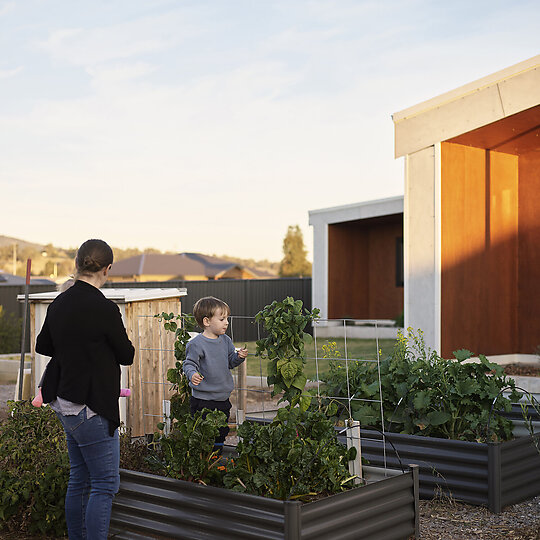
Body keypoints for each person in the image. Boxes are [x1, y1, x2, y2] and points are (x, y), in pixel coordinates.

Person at [35, 239, 135, 540]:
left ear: (76, 263)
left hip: (65, 401)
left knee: (79, 478)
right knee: (104, 484)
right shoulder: (104, 308)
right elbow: (126, 354)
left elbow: (44, 346)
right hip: (91, 406)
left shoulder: (60, 302)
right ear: (107, 269)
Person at [183, 296, 248, 450]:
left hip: (222, 398)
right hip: (203, 400)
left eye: (227, 318)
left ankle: (215, 461)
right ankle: (204, 461)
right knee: (203, 434)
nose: (226, 322)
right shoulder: (196, 344)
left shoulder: (226, 341)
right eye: (222, 319)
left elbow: (230, 362)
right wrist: (192, 374)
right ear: (207, 322)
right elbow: (189, 364)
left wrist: (238, 357)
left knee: (221, 431)